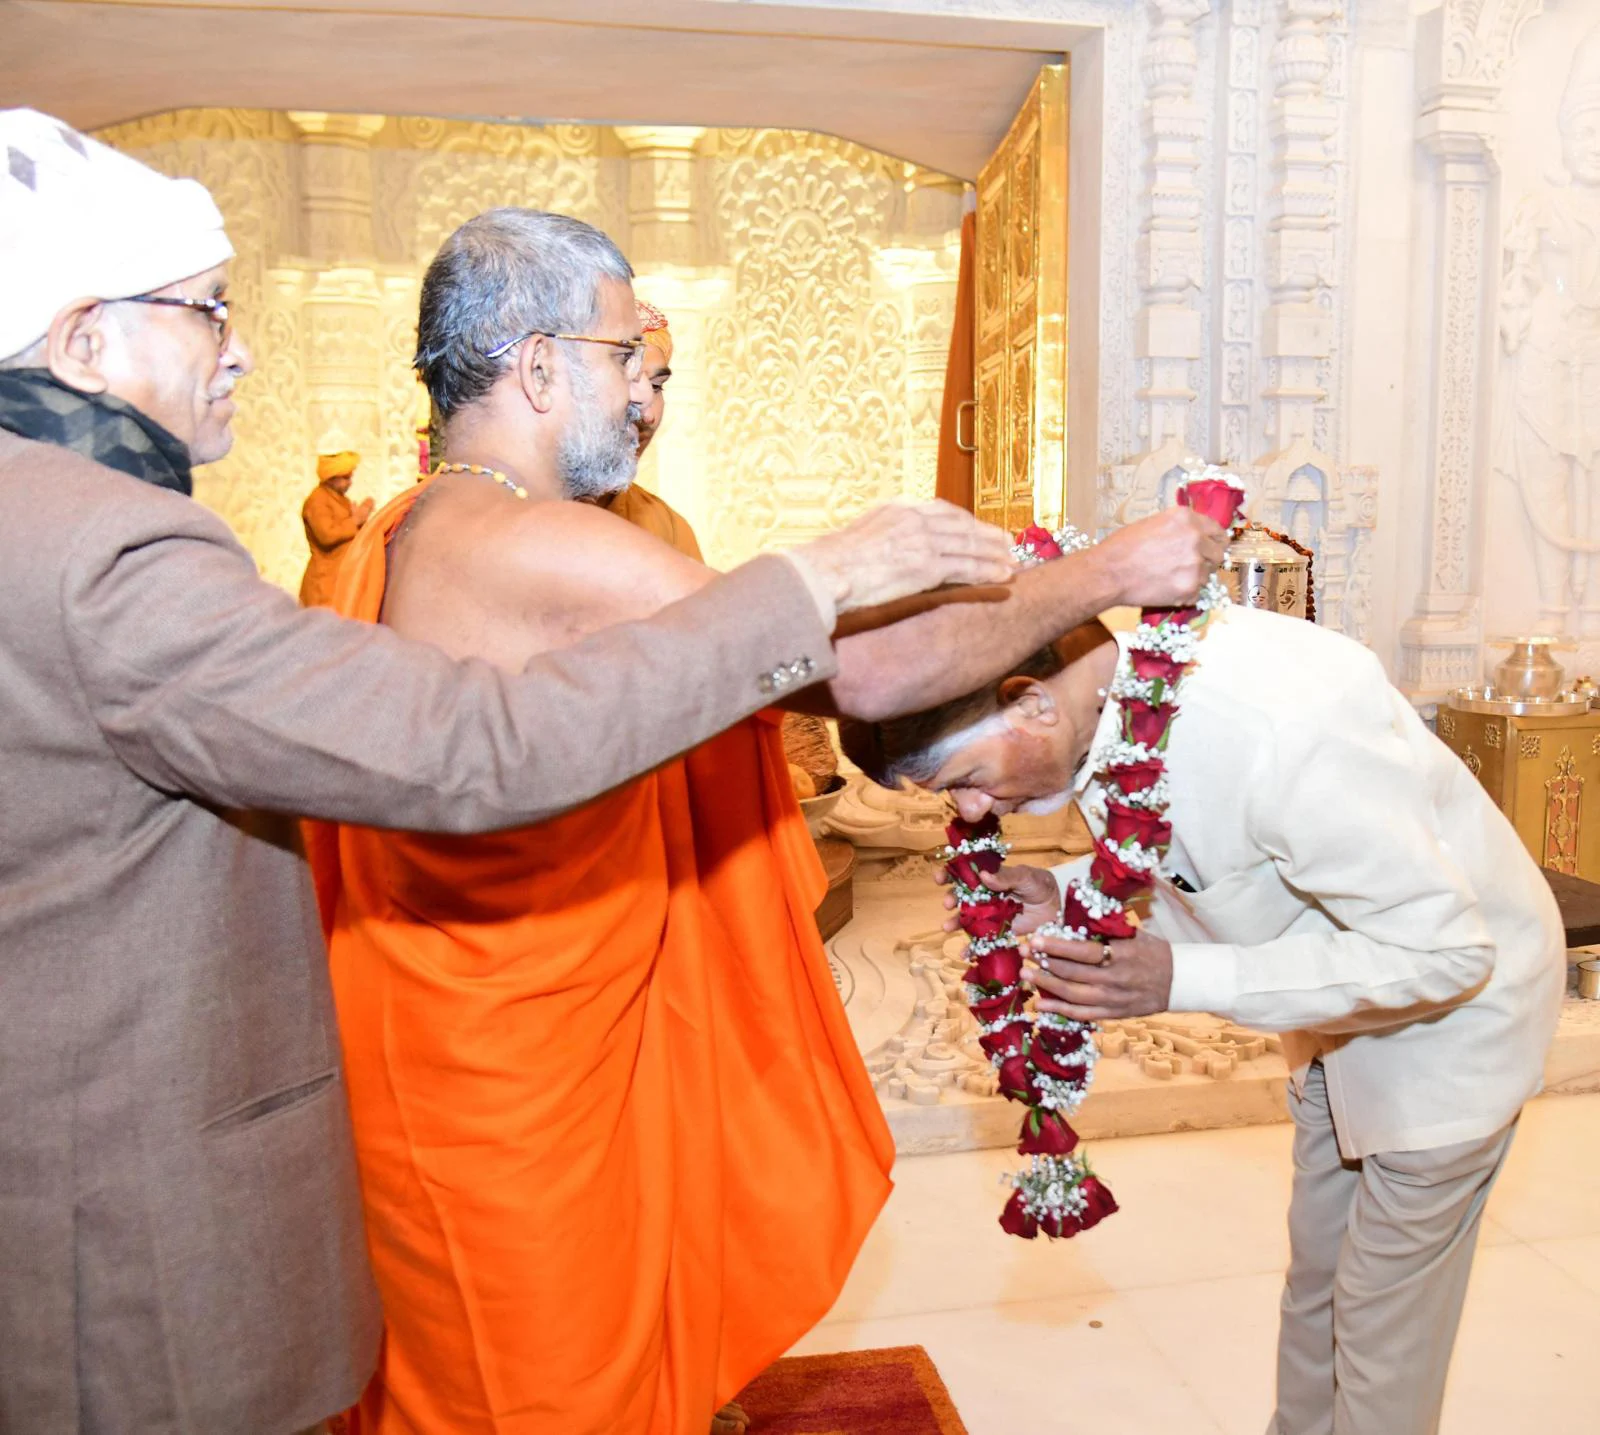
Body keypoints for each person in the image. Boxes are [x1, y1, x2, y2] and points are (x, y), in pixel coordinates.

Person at [0, 110, 1101, 1434]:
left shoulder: (361, 528)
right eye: (203, 308)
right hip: (211, 1137)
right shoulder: (109, 551)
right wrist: (834, 580)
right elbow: (481, 752)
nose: (239, 346)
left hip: (421, 1032)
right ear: (79, 339)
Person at [309, 207, 1225, 1435]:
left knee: (572, 1350)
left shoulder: (420, 528)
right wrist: (1103, 574)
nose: (643, 392)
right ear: (534, 366)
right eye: (623, 355)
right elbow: (857, 676)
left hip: (501, 1027)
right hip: (502, 1074)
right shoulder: (522, 543)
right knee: (535, 1381)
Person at [839, 600, 1566, 1435]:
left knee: (1380, 1330)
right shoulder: (1108, 682)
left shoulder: (1279, 726)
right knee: (1320, 1286)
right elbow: (1209, 862)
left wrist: (1175, 975)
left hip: (1450, 1024)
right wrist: (1067, 892)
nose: (969, 812)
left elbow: (1443, 953)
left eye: (961, 777)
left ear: (1030, 699)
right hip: (1332, 1007)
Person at [598, 297, 702, 558]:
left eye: (656, 386)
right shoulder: (506, 511)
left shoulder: (666, 527)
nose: (647, 415)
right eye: (626, 379)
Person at [299, 446, 375, 606]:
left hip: (342, 578)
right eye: (346, 477)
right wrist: (355, 520)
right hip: (325, 583)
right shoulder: (317, 501)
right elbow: (327, 535)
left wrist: (363, 517)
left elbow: (353, 532)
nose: (350, 483)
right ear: (331, 477)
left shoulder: (341, 500)